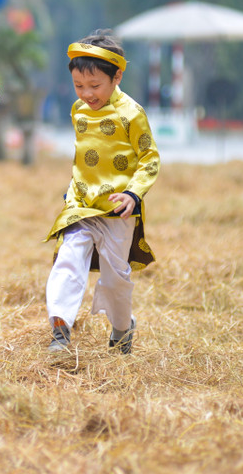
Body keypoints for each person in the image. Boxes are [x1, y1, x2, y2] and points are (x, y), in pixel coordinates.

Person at [44, 30, 160, 354]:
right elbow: (83, 156)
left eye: (94, 86)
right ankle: (60, 327)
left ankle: (123, 328)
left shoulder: (132, 113)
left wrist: (133, 195)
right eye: (79, 86)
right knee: (67, 260)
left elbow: (150, 158)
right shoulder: (77, 111)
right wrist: (72, 190)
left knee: (115, 278)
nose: (87, 94)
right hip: (81, 205)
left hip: (117, 210)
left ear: (117, 76)